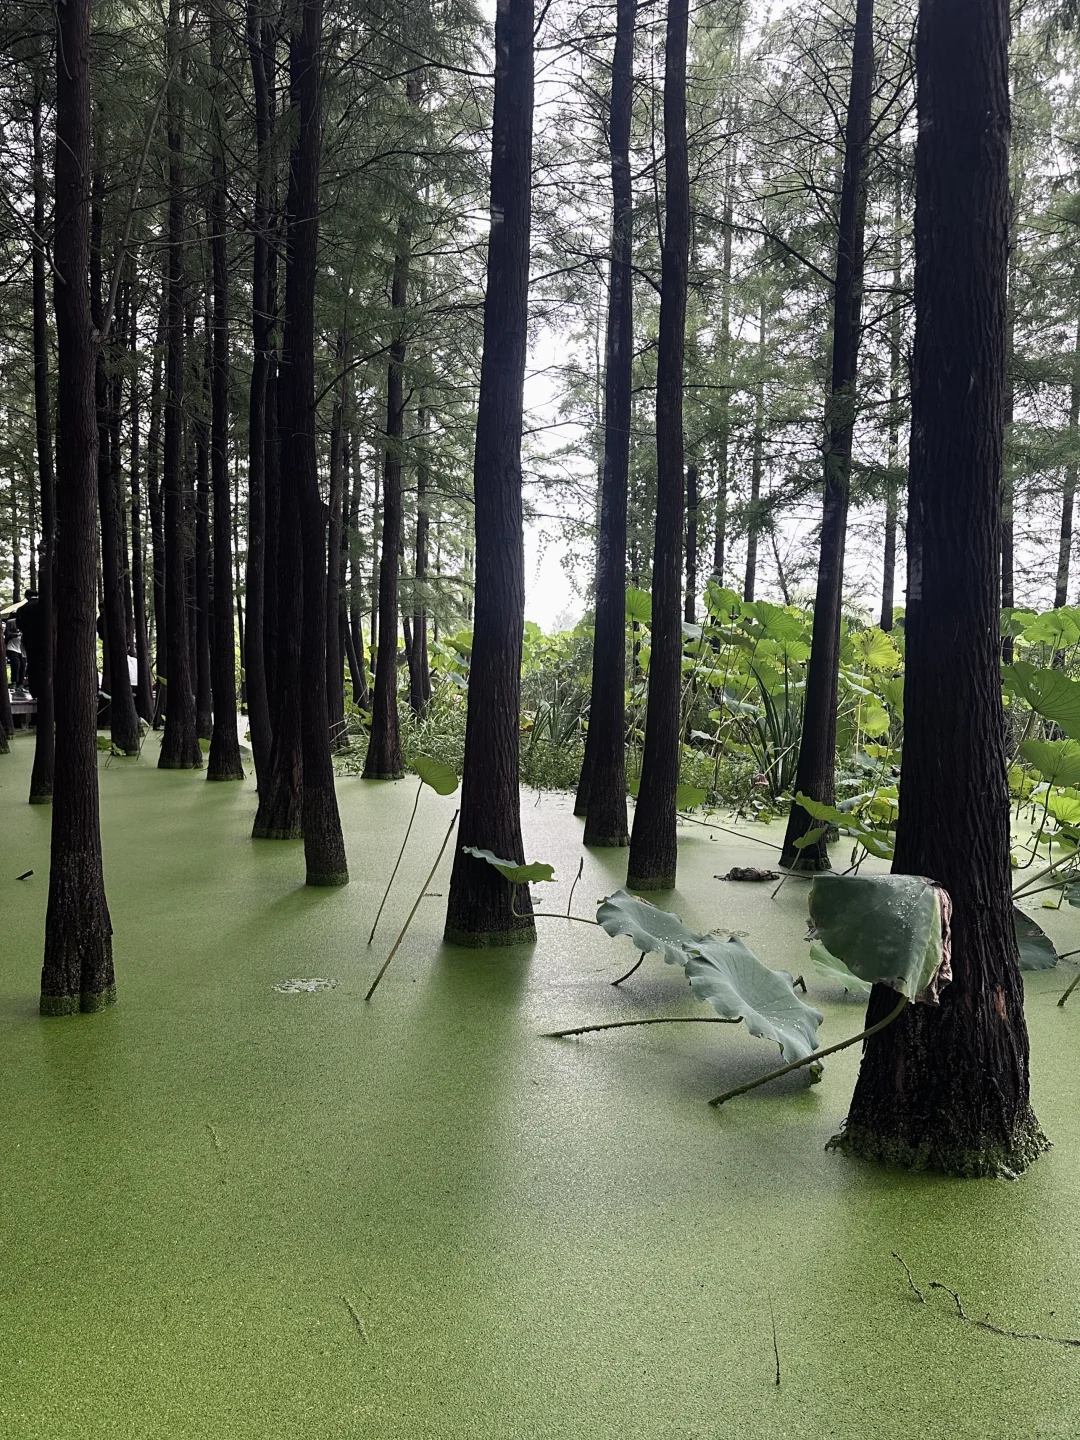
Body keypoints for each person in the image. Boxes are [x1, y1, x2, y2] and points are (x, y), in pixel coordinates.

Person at [15, 590, 42, 697]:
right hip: (45, 638)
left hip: (29, 639)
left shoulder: (22, 609)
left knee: (32, 662)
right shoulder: (44, 605)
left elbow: (19, 624)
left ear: (26, 596)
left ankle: (34, 690)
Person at [4, 617, 27, 693]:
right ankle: (14, 683)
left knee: (23, 666)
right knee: (16, 664)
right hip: (12, 647)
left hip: (22, 650)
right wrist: (17, 634)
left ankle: (20, 684)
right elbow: (7, 635)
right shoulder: (11, 623)